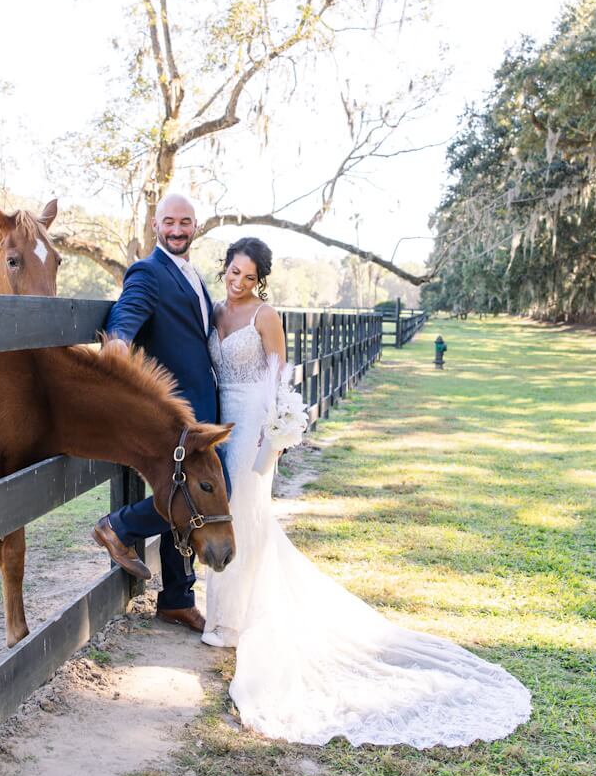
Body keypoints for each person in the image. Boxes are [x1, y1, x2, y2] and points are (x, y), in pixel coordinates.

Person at [203, 235, 532, 748]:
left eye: (247, 275)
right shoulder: (216, 310)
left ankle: (234, 623)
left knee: (246, 513)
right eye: (233, 271)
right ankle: (224, 613)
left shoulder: (265, 316)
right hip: (217, 421)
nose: (238, 281)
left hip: (252, 426)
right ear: (223, 268)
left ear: (260, 279)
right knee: (222, 513)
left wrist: (277, 433)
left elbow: (280, 376)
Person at [92, 193, 224, 634]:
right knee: (194, 496)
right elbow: (127, 310)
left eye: (185, 222)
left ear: (196, 226)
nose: (177, 229)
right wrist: (117, 341)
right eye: (169, 221)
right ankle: (118, 526)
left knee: (187, 496)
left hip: (200, 409)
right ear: (155, 224)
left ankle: (176, 599)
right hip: (174, 413)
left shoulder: (192, 275)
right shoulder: (149, 271)